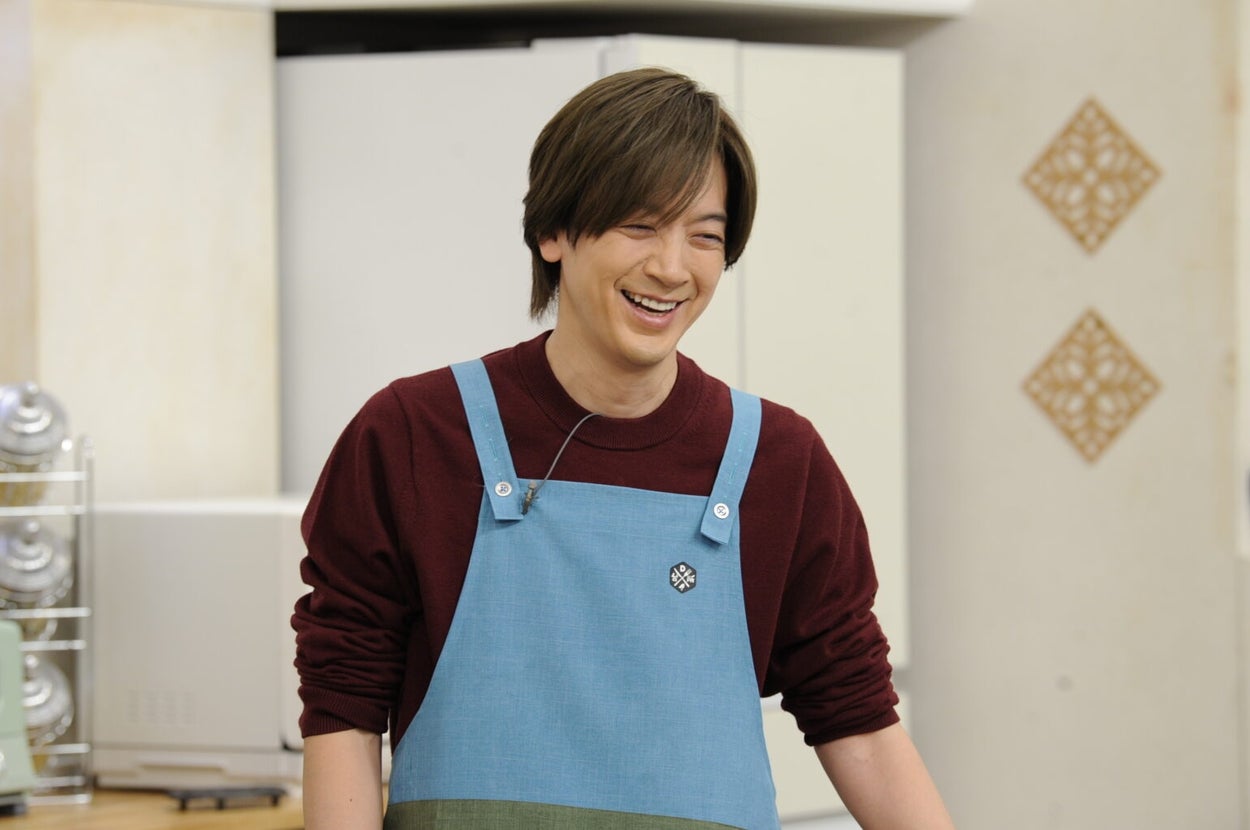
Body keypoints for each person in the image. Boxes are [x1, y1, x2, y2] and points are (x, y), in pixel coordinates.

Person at [292, 67, 955, 830]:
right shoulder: (414, 435)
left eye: (705, 236)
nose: (672, 268)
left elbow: (860, 723)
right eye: (640, 226)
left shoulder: (780, 462)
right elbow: (342, 706)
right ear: (553, 232)